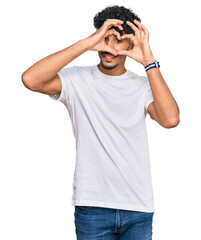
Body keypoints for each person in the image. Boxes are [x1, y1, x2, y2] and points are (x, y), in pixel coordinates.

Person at [22, 5, 180, 240]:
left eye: (118, 41)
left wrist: (148, 60)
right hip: (92, 206)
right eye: (105, 39)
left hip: (138, 207)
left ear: (130, 44)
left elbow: (170, 120)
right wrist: (86, 43)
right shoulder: (76, 79)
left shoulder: (143, 86)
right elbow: (30, 79)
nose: (109, 48)